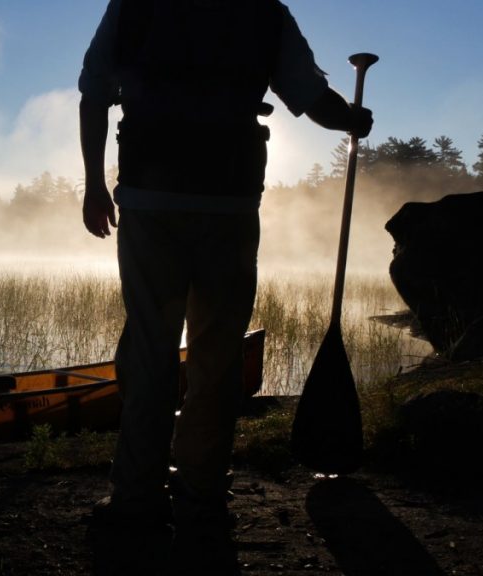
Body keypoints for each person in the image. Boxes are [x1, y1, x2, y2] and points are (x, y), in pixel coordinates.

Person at [78, 0, 373, 572]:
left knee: (149, 351)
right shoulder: (263, 13)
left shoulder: (136, 9)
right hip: (229, 207)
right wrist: (353, 121)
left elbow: (93, 93)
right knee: (216, 356)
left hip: (150, 205)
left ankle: (137, 496)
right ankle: (201, 492)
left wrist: (95, 184)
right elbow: (310, 99)